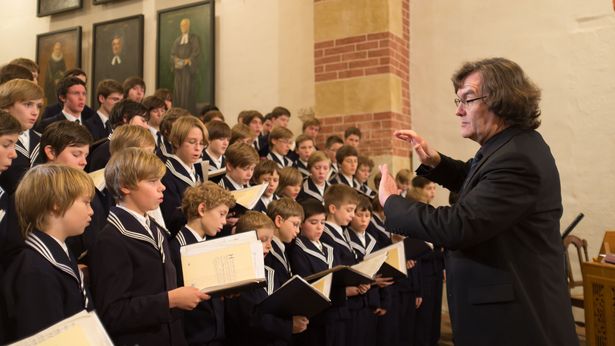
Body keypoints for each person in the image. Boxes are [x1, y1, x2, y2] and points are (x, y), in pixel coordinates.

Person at [378, 57, 577, 345]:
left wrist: (392, 202)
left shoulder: (516, 157)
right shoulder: (510, 146)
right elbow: (478, 182)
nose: (459, 111)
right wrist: (436, 163)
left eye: (468, 99)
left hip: (513, 321)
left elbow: (458, 226)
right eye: (457, 101)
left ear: (502, 100)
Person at [89, 148, 207, 345]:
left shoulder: (154, 227)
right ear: (125, 186)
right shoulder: (112, 239)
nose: (162, 188)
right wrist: (170, 300)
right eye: (153, 182)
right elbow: (113, 313)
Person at [3, 164, 94, 343]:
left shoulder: (56, 253)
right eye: (85, 202)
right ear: (57, 205)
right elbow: (48, 339)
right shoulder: (35, 270)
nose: (91, 210)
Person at [224, 211, 307, 346]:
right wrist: (287, 326)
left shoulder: (269, 271)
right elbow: (249, 319)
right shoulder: (237, 274)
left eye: (270, 240)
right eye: (263, 240)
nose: (269, 245)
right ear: (243, 239)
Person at [170, 182, 235, 345]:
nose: (225, 221)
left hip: (214, 335)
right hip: (194, 338)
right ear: (202, 209)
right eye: (221, 214)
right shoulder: (177, 248)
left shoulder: (208, 244)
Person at [160, 116, 208, 236]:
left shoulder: (195, 171)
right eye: (192, 142)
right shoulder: (167, 174)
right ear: (176, 142)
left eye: (201, 143)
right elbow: (172, 219)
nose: (198, 148)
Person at [171, 18, 200, 114]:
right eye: (182, 25)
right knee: (178, 92)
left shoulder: (194, 38)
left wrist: (189, 60)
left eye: (185, 25)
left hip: (188, 71)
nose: (183, 27)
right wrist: (176, 60)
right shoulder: (177, 40)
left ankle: (187, 112)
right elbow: (172, 54)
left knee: (187, 93)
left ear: (189, 26)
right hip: (179, 71)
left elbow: (196, 52)